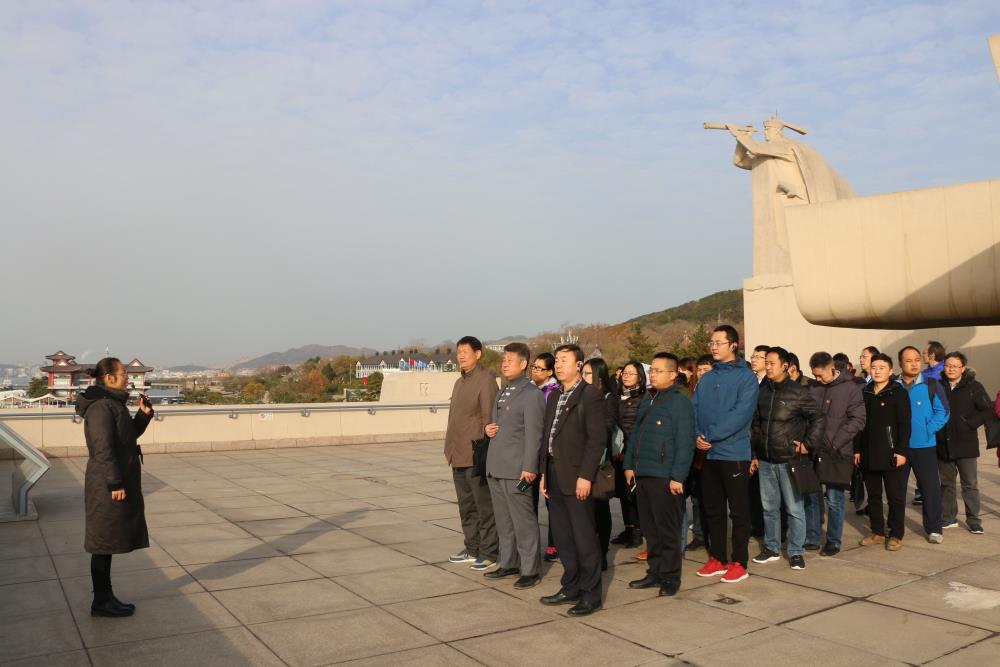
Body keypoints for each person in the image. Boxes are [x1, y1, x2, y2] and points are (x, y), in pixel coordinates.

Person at [77, 357, 154, 617]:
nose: (127, 377)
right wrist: (114, 482)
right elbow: (103, 448)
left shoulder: (113, 403)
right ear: (109, 378)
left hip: (113, 479)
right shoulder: (101, 407)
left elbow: (126, 437)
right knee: (101, 543)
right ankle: (101, 601)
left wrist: (143, 415)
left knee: (107, 541)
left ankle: (106, 597)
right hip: (104, 483)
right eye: (123, 373)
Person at [539, 344, 607, 616]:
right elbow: (547, 437)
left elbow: (596, 440)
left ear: (579, 365)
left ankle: (591, 594)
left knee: (584, 538)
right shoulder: (555, 396)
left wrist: (586, 476)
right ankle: (570, 587)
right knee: (564, 538)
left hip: (577, 476)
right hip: (554, 474)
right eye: (556, 360)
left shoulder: (590, 395)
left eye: (564, 360)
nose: (558, 364)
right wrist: (543, 473)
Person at [624, 353, 696, 596]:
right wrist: (629, 464)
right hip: (643, 473)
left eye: (658, 371)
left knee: (667, 531)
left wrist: (678, 477)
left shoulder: (679, 402)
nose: (652, 374)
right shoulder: (649, 399)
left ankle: (670, 577)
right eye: (651, 370)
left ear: (673, 374)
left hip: (665, 476)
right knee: (650, 530)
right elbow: (635, 434)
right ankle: (654, 572)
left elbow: (685, 442)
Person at [693, 325, 760, 584]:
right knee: (713, 510)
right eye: (711, 342)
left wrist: (709, 436)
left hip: (733, 452)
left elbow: (740, 415)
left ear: (733, 345)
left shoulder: (746, 377)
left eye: (719, 342)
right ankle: (717, 558)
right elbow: (694, 409)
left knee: (739, 511)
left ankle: (739, 562)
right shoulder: (707, 378)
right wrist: (697, 435)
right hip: (708, 454)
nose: (713, 346)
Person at [750, 347, 825, 570]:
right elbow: (756, 423)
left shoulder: (798, 392)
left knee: (794, 508)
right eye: (766, 362)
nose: (768, 366)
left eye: (772, 363)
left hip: (789, 459)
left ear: (785, 366)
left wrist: (808, 444)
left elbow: (818, 417)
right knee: (769, 508)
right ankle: (771, 547)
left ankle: (796, 551)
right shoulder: (762, 390)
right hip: (766, 460)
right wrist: (755, 452)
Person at [482, 343, 545, 589]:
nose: (505, 364)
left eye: (510, 360)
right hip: (496, 466)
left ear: (523, 364)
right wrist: (488, 429)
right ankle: (508, 562)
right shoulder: (504, 390)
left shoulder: (531, 394)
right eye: (504, 360)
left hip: (517, 468)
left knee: (523, 521)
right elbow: (500, 424)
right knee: (504, 521)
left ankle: (530, 569)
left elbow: (534, 435)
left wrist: (529, 467)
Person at [445, 336, 500, 570]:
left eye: (465, 352)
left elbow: (490, 419)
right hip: (457, 454)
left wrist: (486, 450)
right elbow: (454, 419)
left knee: (483, 506)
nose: (461, 356)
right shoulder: (459, 382)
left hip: (476, 455)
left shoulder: (486, 380)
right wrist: (448, 447)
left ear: (478, 354)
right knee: (466, 506)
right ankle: (472, 547)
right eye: (458, 352)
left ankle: (489, 552)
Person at [806, 352, 866, 556]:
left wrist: (836, 441)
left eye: (820, 375)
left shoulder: (851, 388)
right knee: (812, 496)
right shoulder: (813, 387)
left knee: (834, 499)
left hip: (838, 451)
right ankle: (812, 537)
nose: (817, 379)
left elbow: (858, 419)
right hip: (814, 450)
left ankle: (833, 541)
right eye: (814, 375)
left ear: (832, 369)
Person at [856, 353, 911, 551]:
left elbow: (905, 425)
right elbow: (858, 423)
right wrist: (857, 449)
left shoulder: (898, 393)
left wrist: (901, 451)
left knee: (895, 496)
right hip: (868, 452)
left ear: (890, 371)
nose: (877, 371)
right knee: (873, 496)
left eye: (882, 368)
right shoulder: (865, 392)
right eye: (874, 367)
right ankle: (877, 532)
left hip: (891, 453)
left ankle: (896, 534)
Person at [898, 346, 949, 543]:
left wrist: (928, 429)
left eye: (917, 360)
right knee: (897, 491)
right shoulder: (893, 385)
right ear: (900, 363)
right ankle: (895, 529)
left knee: (930, 490)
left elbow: (944, 411)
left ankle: (934, 528)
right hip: (899, 448)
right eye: (909, 360)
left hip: (925, 446)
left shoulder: (931, 384)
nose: (914, 364)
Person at [937, 351, 990, 534]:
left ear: (963, 368)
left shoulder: (974, 386)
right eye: (948, 365)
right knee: (946, 483)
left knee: (970, 484)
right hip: (943, 443)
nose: (950, 369)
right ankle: (948, 517)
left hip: (966, 444)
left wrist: (970, 423)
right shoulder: (938, 385)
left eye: (955, 366)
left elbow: (988, 410)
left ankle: (974, 520)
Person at [581, 357, 617, 570]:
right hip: (580, 459)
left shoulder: (608, 399)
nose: (583, 377)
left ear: (599, 377)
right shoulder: (580, 396)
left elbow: (607, 428)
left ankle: (601, 552)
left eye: (587, 373)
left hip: (599, 461)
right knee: (585, 510)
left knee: (600, 508)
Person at [610, 360, 647, 549]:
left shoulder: (643, 399)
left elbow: (637, 430)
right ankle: (628, 528)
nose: (626, 376)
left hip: (632, 453)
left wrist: (627, 451)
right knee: (623, 495)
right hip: (617, 452)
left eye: (631, 373)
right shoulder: (617, 397)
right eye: (624, 373)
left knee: (633, 494)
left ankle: (638, 532)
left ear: (640, 377)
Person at [530, 352, 560, 561]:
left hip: (548, 454)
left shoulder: (554, 392)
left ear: (550, 372)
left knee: (552, 502)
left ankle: (555, 543)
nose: (535, 370)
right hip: (531, 454)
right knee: (528, 501)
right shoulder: (530, 389)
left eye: (539, 368)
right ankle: (529, 545)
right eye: (534, 366)